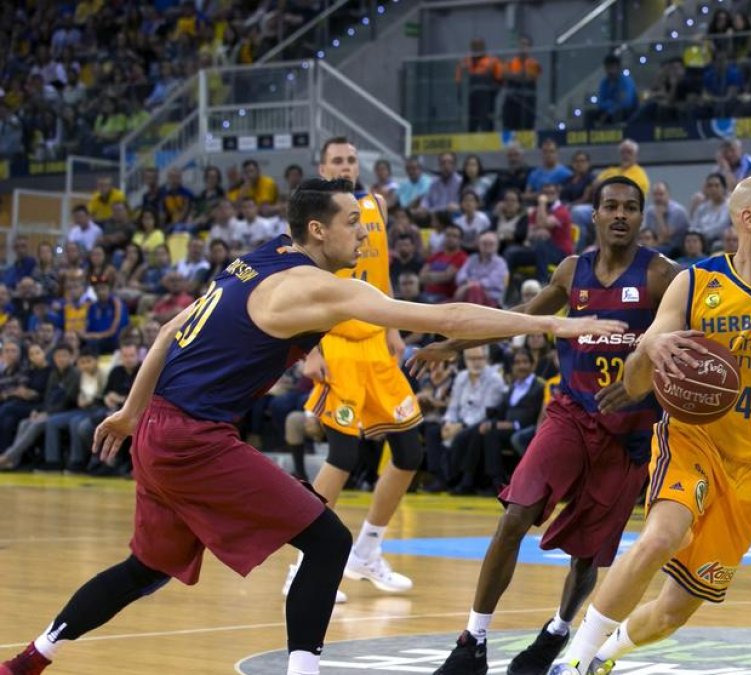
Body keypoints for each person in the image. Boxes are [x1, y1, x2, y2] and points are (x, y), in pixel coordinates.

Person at [0, 178, 624, 675]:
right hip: (192, 438)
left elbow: (168, 331)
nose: (365, 232)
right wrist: (552, 325)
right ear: (318, 229)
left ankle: (33, 657)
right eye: (354, 223)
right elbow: (447, 317)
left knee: (146, 568)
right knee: (327, 543)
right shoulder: (316, 289)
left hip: (160, 427)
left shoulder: (256, 259)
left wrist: (132, 411)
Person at [548, 175, 751, 674]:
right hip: (692, 440)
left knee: (674, 612)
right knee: (660, 538)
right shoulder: (694, 282)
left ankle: (604, 656)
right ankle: (573, 659)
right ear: (748, 219)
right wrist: (649, 347)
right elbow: (634, 381)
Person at [408, 176, 678, 675]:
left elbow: (688, 343)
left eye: (631, 208)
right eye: (611, 206)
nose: (621, 215)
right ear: (593, 216)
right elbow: (518, 320)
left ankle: (556, 631)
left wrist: (647, 385)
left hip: (630, 434)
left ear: (643, 218)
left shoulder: (664, 277)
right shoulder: (572, 272)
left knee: (586, 556)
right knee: (515, 515)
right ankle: (473, 640)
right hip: (571, 414)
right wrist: (453, 346)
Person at [277, 138, 427, 605]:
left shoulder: (375, 205)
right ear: (321, 167)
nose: (346, 166)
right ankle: (303, 564)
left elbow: (381, 274)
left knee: (409, 451)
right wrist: (309, 349)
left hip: (377, 345)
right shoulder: (312, 218)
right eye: (337, 161)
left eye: (351, 160)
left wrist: (394, 326)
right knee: (343, 456)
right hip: (336, 344)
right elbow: (300, 286)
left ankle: (367, 552)